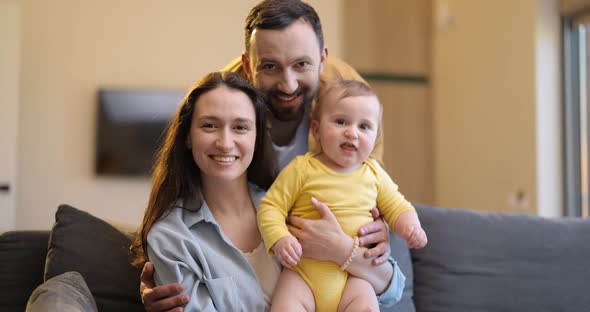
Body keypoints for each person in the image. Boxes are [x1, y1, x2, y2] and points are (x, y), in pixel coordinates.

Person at [140, 0, 402, 310]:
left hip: (342, 247)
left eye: (301, 65)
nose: (288, 84)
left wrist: (359, 240)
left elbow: (390, 278)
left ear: (322, 59)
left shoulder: (353, 107)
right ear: (249, 66)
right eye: (269, 66)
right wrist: (160, 280)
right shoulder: (230, 97)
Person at [258, 79, 427, 311]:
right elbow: (271, 207)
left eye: (364, 126)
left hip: (353, 278)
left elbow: (398, 206)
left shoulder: (375, 174)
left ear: (376, 138)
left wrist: (411, 227)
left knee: (366, 305)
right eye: (340, 121)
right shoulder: (302, 169)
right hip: (302, 274)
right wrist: (279, 238)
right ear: (316, 130)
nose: (352, 133)